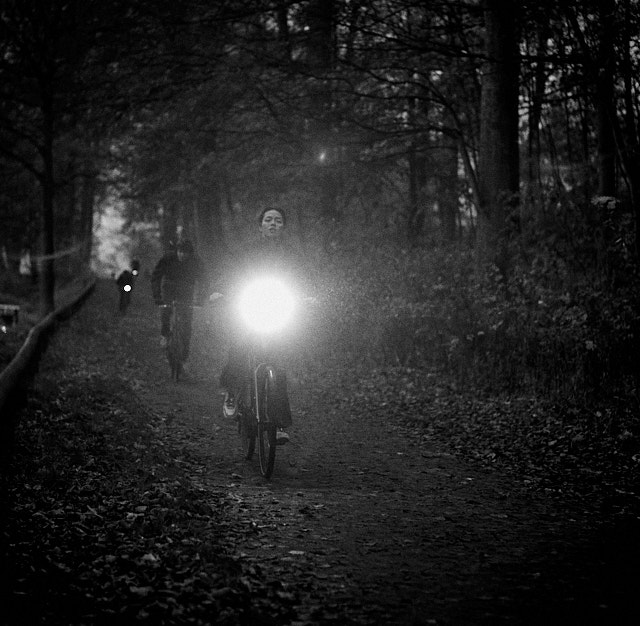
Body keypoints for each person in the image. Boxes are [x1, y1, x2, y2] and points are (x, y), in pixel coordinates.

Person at [217, 207, 305, 445]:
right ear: (261, 225)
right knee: (239, 346)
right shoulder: (247, 252)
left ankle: (276, 425)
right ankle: (233, 394)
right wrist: (223, 291)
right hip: (250, 308)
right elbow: (231, 273)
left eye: (278, 220)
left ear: (283, 226)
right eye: (268, 220)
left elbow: (304, 278)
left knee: (278, 368)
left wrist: (309, 295)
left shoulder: (293, 255)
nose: (273, 223)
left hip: (279, 311)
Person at [151, 239, 208, 362]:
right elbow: (156, 276)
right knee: (166, 310)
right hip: (169, 287)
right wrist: (157, 296)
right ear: (177, 251)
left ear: (190, 254)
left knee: (187, 322)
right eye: (180, 252)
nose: (182, 255)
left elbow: (204, 280)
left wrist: (200, 299)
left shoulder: (196, 261)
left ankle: (185, 350)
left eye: (185, 253)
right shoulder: (168, 258)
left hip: (186, 290)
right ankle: (165, 334)